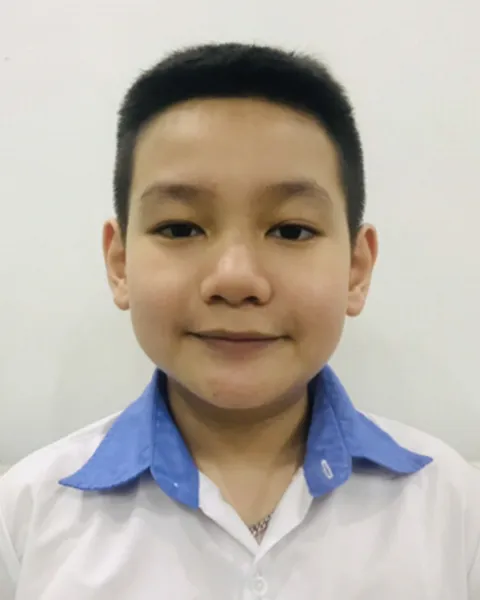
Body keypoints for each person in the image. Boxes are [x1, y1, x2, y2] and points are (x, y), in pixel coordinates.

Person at [0, 42, 478, 600]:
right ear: (120, 262)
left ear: (356, 268)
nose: (235, 278)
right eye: (180, 229)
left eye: (291, 230)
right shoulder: (28, 514)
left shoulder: (450, 505)